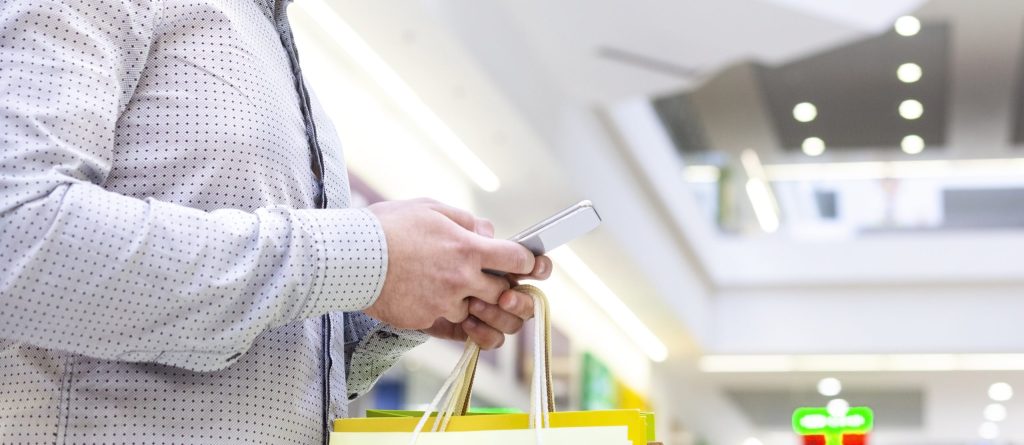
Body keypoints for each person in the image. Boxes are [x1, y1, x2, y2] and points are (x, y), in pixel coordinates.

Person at [0, 0, 551, 444]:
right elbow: (17, 233)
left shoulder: (283, 63)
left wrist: (392, 307)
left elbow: (275, 366)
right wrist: (366, 258)